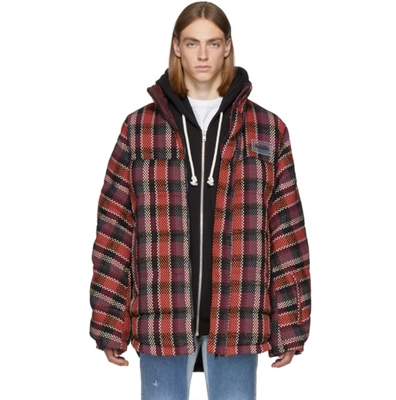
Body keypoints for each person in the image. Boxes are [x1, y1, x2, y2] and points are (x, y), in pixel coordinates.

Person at [89, 2, 311, 399]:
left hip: (238, 317)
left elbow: (286, 232)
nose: (203, 55)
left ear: (228, 47)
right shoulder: (139, 128)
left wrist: (291, 324)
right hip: (160, 316)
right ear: (177, 46)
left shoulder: (266, 129)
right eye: (193, 43)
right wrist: (109, 321)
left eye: (213, 43)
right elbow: (115, 230)